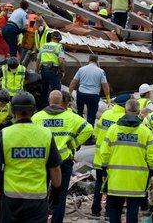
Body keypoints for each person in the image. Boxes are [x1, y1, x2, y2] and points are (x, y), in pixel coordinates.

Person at [0, 91, 62, 222]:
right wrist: (56, 192)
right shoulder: (46, 135)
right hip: (37, 199)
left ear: (12, 110)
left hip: (11, 198)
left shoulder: (5, 135)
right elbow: (55, 169)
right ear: (33, 111)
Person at [32, 90, 93, 223]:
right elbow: (88, 129)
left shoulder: (37, 117)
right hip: (63, 160)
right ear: (61, 102)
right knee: (60, 194)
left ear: (48, 100)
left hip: (43, 160)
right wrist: (73, 144)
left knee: (40, 193)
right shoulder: (71, 117)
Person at [100, 99, 153, 223]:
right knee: (133, 210)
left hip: (116, 178)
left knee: (114, 210)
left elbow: (104, 153)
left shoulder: (113, 129)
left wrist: (104, 171)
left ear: (125, 110)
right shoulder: (145, 131)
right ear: (138, 112)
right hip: (136, 180)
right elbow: (152, 156)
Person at [91, 93, 130, 217]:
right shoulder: (124, 118)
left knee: (99, 184)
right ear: (126, 106)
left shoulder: (106, 114)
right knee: (112, 186)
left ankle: (95, 209)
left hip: (99, 156)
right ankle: (109, 210)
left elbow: (96, 133)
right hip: (113, 158)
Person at [68, 54, 111, 128]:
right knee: (91, 116)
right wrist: (108, 98)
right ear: (97, 61)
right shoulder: (101, 71)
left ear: (89, 60)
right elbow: (105, 86)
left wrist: (69, 94)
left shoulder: (81, 69)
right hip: (93, 96)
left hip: (81, 94)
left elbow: (73, 82)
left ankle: (78, 128)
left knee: (79, 113)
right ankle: (89, 133)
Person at [36, 31, 66, 109]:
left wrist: (36, 70)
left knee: (44, 91)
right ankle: (55, 109)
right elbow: (61, 61)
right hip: (53, 71)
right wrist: (62, 70)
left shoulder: (44, 46)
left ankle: (42, 109)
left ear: (51, 38)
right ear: (59, 39)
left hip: (43, 70)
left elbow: (38, 59)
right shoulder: (59, 46)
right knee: (56, 92)